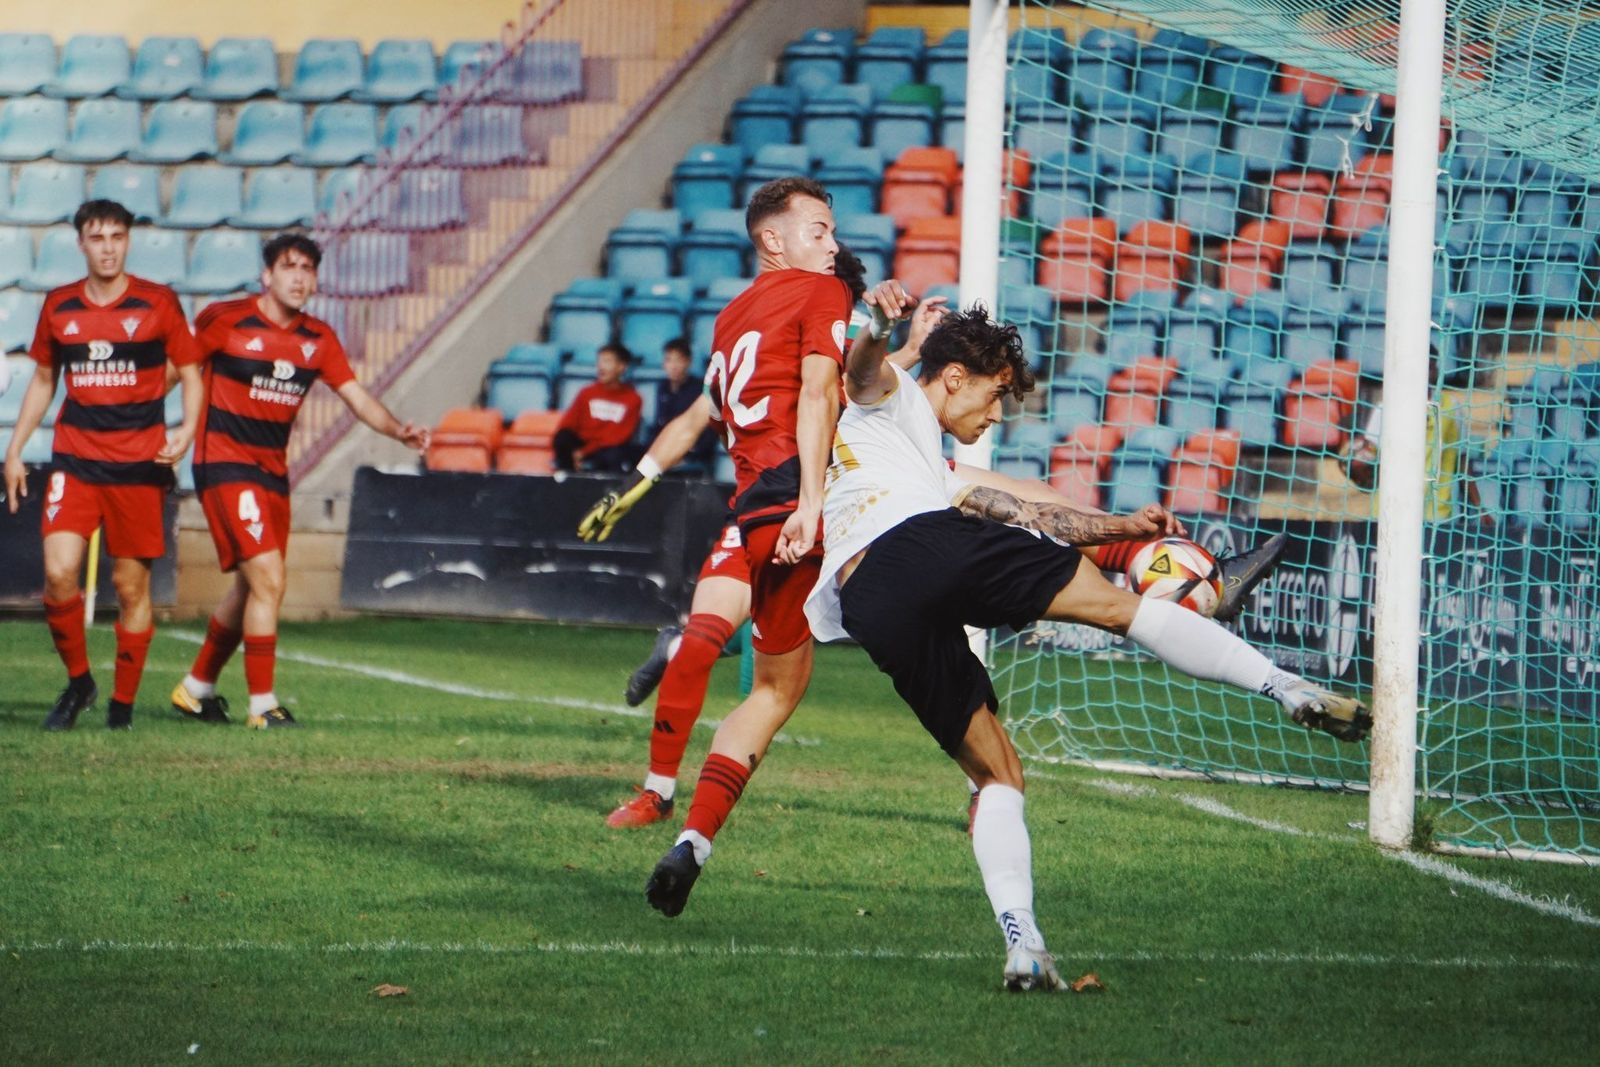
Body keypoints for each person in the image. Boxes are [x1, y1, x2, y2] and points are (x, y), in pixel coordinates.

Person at [804, 298, 1370, 991]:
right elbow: (861, 372)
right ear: (952, 376)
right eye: (996, 393)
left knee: (999, 775)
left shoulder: (914, 459)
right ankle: (1284, 684)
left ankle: (1024, 945)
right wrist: (877, 328)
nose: (998, 413)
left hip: (870, 600)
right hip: (918, 545)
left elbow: (1029, 509)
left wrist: (1121, 529)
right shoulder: (890, 400)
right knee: (1117, 609)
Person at [169, 234, 429, 729]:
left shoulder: (318, 339)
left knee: (251, 586)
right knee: (269, 578)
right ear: (267, 275)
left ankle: (196, 689)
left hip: (272, 473)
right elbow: (177, 369)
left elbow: (355, 395)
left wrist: (399, 430)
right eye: (289, 267)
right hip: (223, 464)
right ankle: (262, 706)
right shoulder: (226, 319)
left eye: (308, 269)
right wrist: (142, 418)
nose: (299, 277)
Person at [3, 199, 204, 730]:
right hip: (76, 460)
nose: (108, 248)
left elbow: (191, 371)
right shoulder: (60, 305)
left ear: (128, 242)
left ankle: (121, 707)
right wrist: (15, 449)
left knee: (131, 588)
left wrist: (186, 429)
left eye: (117, 237)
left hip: (139, 466)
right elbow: (44, 380)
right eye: (97, 238)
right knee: (57, 572)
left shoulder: (158, 303)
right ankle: (79, 683)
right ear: (81, 244)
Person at [553, 342, 641, 473]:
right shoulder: (587, 393)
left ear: (621, 367)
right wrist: (576, 452)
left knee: (615, 454)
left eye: (607, 361)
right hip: (583, 444)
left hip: (606, 448)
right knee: (562, 438)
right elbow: (567, 424)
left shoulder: (633, 399)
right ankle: (567, 477)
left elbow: (617, 437)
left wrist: (584, 452)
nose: (601, 366)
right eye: (599, 361)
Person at [651, 337, 716, 470]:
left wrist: (689, 451)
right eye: (669, 360)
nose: (673, 366)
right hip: (666, 449)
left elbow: (708, 430)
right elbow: (660, 423)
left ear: (688, 362)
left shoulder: (700, 389)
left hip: (692, 452)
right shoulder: (662, 387)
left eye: (678, 360)